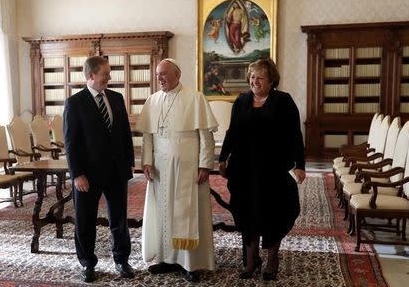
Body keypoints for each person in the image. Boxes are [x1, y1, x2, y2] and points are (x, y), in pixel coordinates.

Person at [218, 58, 306, 281]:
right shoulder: (241, 101)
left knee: (274, 213)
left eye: (260, 77)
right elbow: (232, 132)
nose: (254, 81)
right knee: (246, 213)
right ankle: (251, 259)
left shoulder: (283, 101)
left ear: (271, 80)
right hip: (243, 170)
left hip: (272, 170)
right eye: (252, 77)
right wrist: (223, 158)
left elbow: (295, 134)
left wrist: (300, 165)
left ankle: (272, 259)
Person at [136, 58, 218, 282]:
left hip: (188, 167)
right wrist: (146, 162)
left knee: (187, 212)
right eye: (157, 74)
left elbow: (205, 137)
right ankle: (165, 259)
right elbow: (148, 137)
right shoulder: (152, 101)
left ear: (177, 75)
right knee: (163, 212)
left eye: (163, 74)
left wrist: (204, 164)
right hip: (161, 168)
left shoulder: (195, 97)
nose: (159, 78)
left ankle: (190, 263)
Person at [63, 56, 135, 283]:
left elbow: (124, 133)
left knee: (119, 220)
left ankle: (121, 260)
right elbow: (70, 142)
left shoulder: (116, 98)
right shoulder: (75, 103)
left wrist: (129, 161)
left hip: (116, 172)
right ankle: (87, 263)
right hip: (88, 175)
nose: (110, 77)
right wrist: (77, 174)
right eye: (106, 73)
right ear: (91, 76)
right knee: (85, 221)